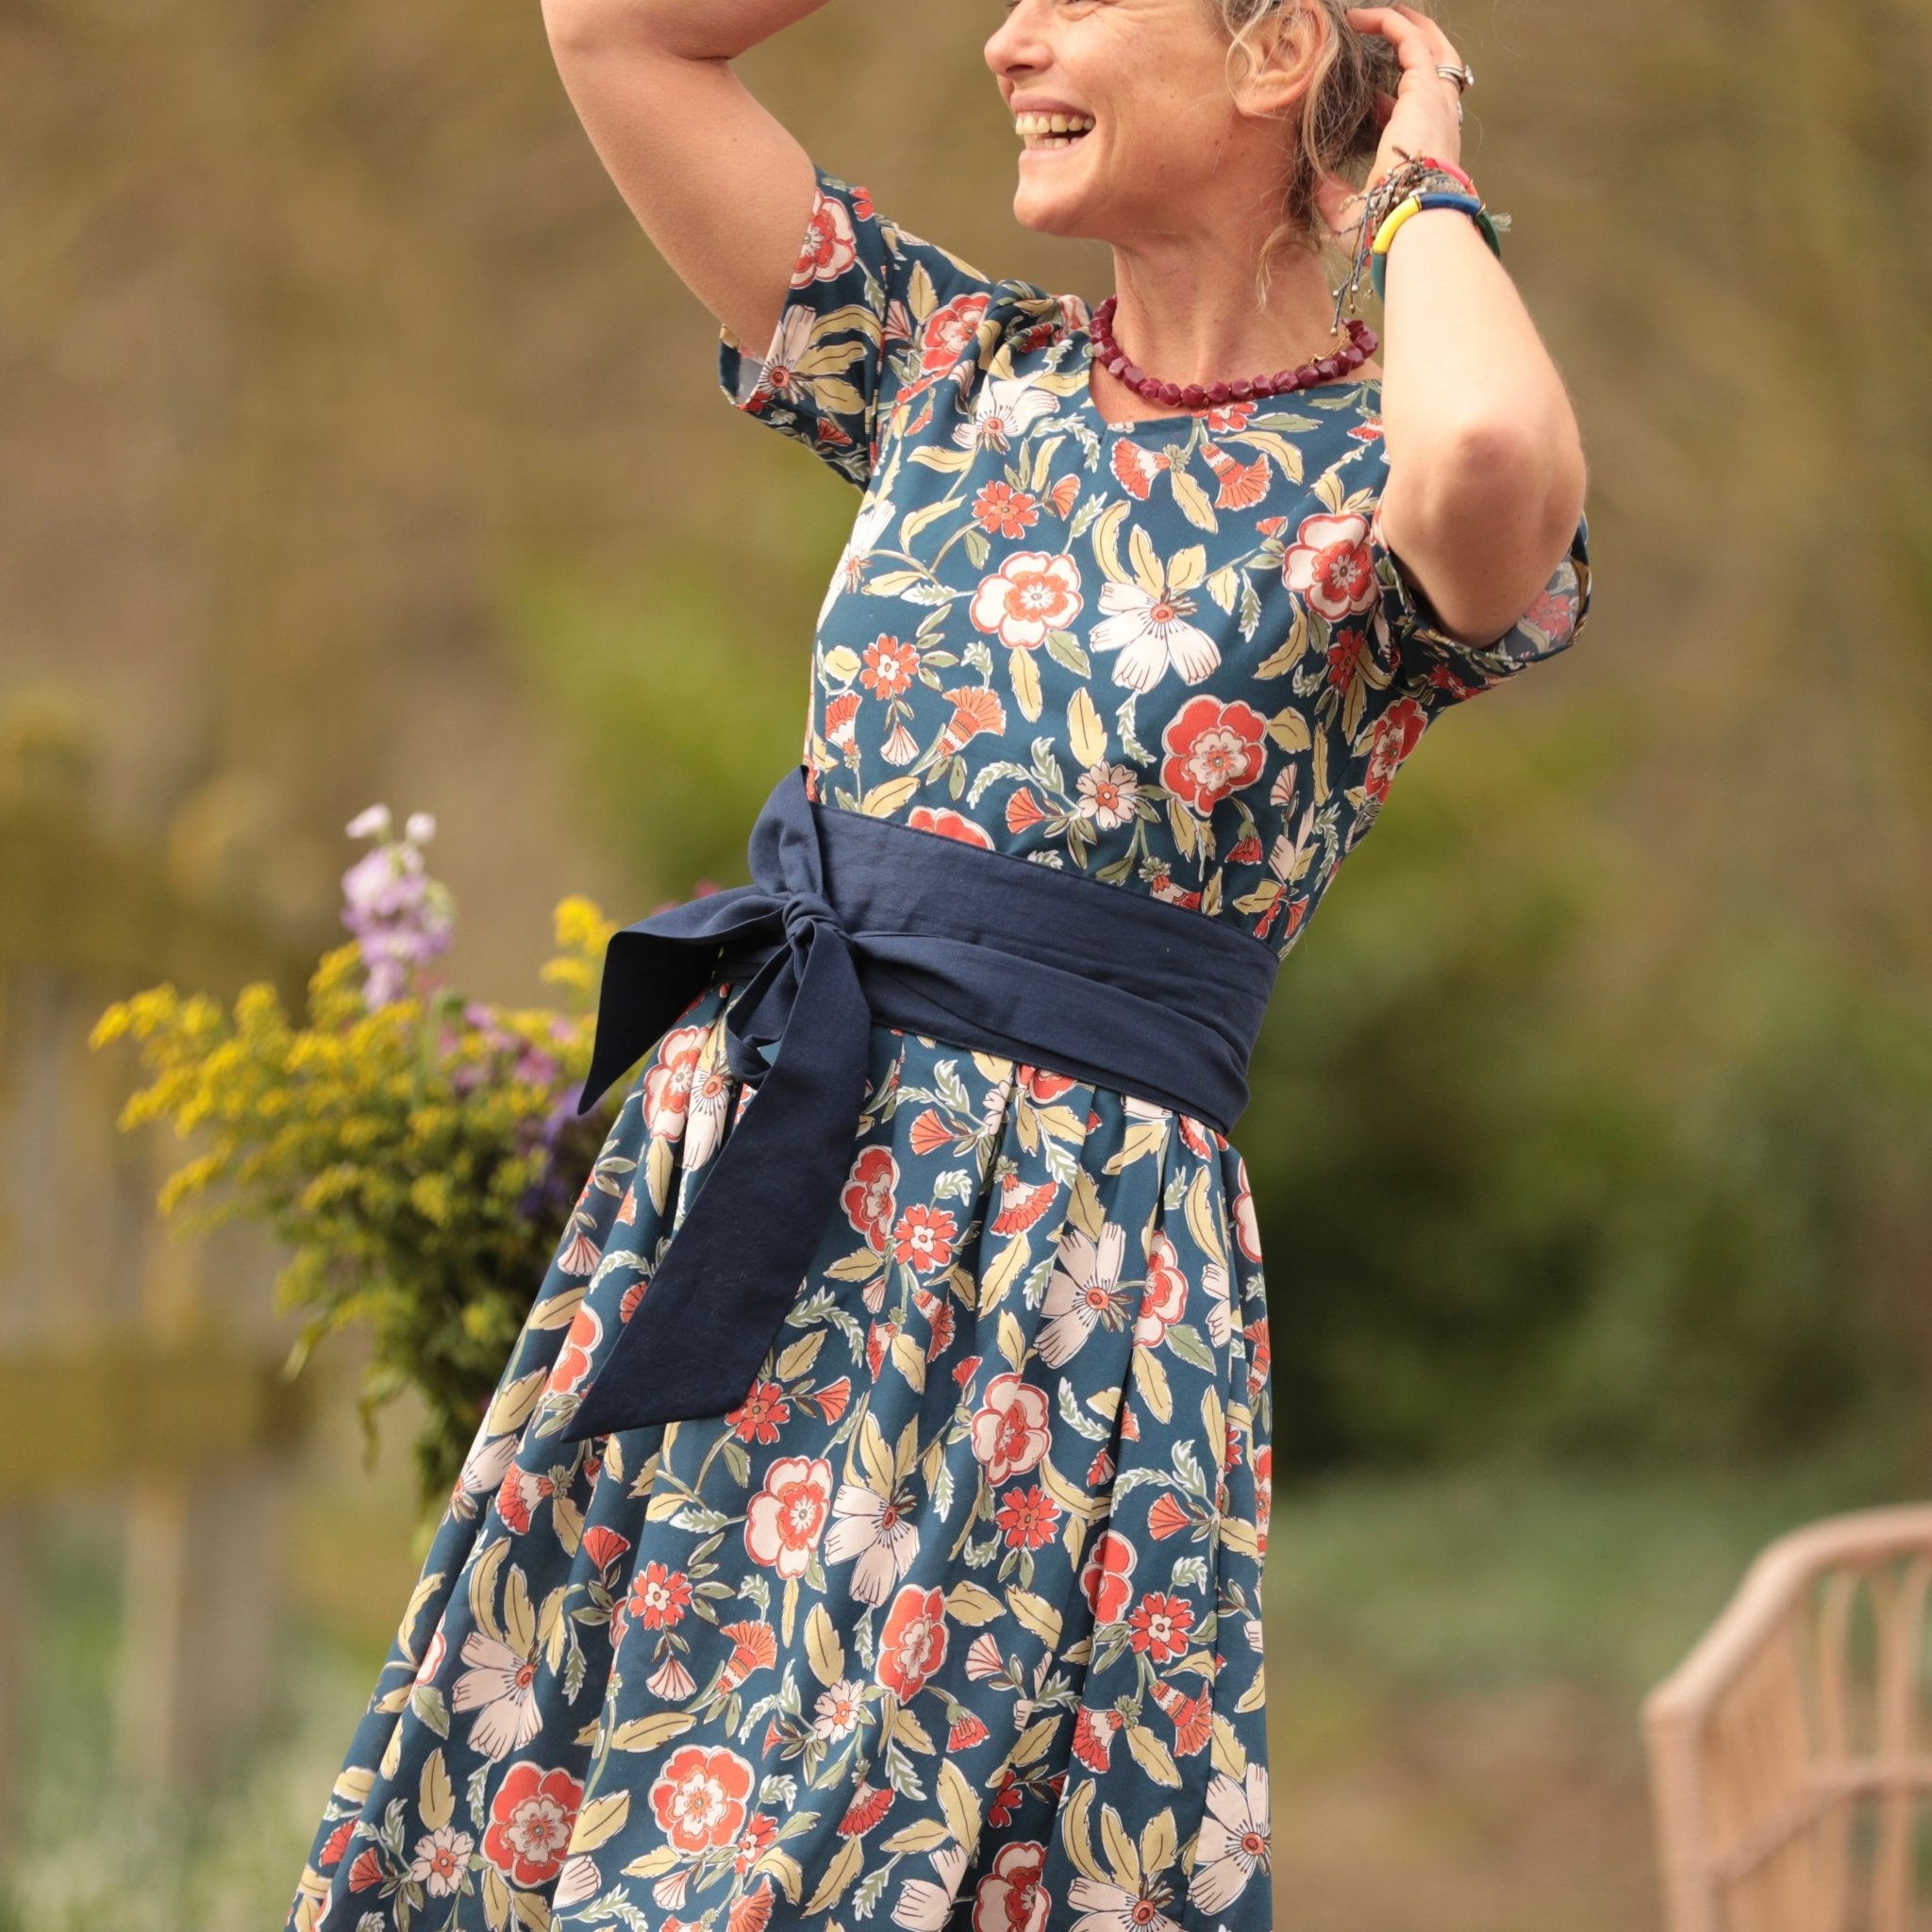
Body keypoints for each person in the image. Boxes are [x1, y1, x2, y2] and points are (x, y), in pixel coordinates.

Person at [286, 2, 1591, 1927]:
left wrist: (1414, 184)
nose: (1005, 39)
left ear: (1273, 52)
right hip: (754, 1204)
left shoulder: (1372, 481)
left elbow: (1485, 444)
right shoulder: (948, 364)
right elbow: (615, 31)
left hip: (1051, 1312)